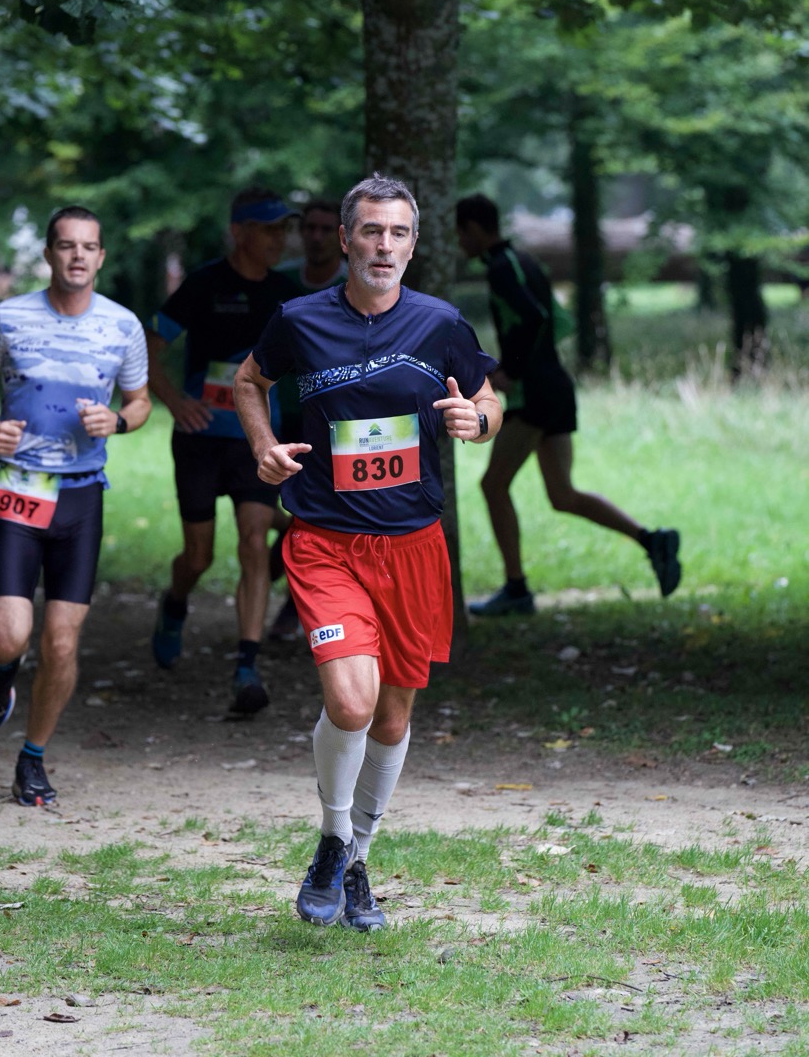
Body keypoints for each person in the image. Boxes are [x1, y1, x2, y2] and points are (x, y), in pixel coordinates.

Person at [233, 173, 501, 931]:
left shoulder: (440, 323)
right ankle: (331, 839)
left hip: (413, 547)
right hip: (326, 540)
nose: (384, 246)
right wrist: (263, 446)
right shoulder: (299, 319)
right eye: (372, 231)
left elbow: (489, 399)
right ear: (346, 239)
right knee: (350, 703)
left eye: (399, 233)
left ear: (413, 246)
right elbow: (249, 382)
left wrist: (476, 422)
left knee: (389, 718)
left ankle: (357, 859)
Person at [0, 206, 151, 806]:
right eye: (66, 245)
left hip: (81, 495)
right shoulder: (9, 317)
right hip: (21, 485)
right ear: (48, 254)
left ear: (101, 257)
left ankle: (33, 758)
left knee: (62, 643)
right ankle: (2, 672)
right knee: (9, 635)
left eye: (88, 247)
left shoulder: (122, 325)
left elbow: (141, 401)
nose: (77, 256)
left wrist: (118, 421)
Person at [455, 193, 681, 615]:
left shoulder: (503, 268)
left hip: (536, 393)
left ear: (474, 229)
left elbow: (536, 318)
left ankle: (516, 589)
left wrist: (513, 371)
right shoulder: (525, 261)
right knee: (562, 494)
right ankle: (653, 540)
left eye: (461, 234)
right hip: (556, 386)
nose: (460, 243)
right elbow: (557, 321)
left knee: (493, 485)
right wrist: (533, 364)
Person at [146, 186, 298, 715]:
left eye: (284, 229)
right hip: (201, 440)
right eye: (269, 228)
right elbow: (148, 347)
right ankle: (175, 601)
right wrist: (175, 402)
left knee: (254, 541)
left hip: (257, 442)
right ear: (239, 232)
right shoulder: (204, 284)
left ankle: (247, 666)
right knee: (199, 556)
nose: (279, 239)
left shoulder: (286, 293)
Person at [268, 200, 349, 641]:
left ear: (340, 235)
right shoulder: (282, 284)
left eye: (324, 229)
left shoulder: (354, 285)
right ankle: (276, 566)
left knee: (320, 511)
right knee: (269, 509)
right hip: (283, 413)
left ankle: (292, 602)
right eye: (309, 228)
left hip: (335, 421)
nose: (315, 237)